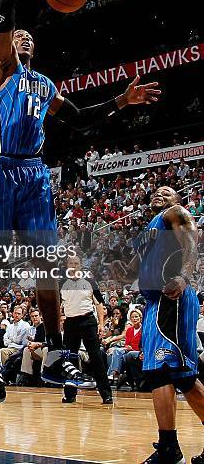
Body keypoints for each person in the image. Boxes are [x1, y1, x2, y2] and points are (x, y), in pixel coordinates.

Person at [0, 0, 160, 403]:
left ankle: (56, 350)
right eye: (17, 35)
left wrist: (120, 102)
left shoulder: (45, 84)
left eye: (28, 36)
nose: (24, 37)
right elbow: (5, 5)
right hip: (0, 168)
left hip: (35, 173)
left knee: (47, 267)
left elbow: (78, 119)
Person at [131, 187, 204, 464]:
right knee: (172, 377)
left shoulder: (174, 213)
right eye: (156, 192)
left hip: (171, 296)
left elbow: (191, 243)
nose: (158, 194)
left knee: (171, 375)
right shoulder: (149, 229)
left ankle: (168, 447)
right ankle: (168, 447)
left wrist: (185, 276)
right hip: (154, 304)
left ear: (178, 200)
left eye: (166, 191)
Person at [59, 255, 112, 404]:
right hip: (70, 323)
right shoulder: (62, 283)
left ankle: (106, 394)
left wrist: (101, 324)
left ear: (81, 265)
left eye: (76, 263)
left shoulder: (90, 282)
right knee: (69, 360)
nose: (74, 266)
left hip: (88, 321)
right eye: (71, 263)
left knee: (96, 358)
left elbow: (99, 304)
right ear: (67, 265)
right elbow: (57, 304)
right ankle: (70, 395)